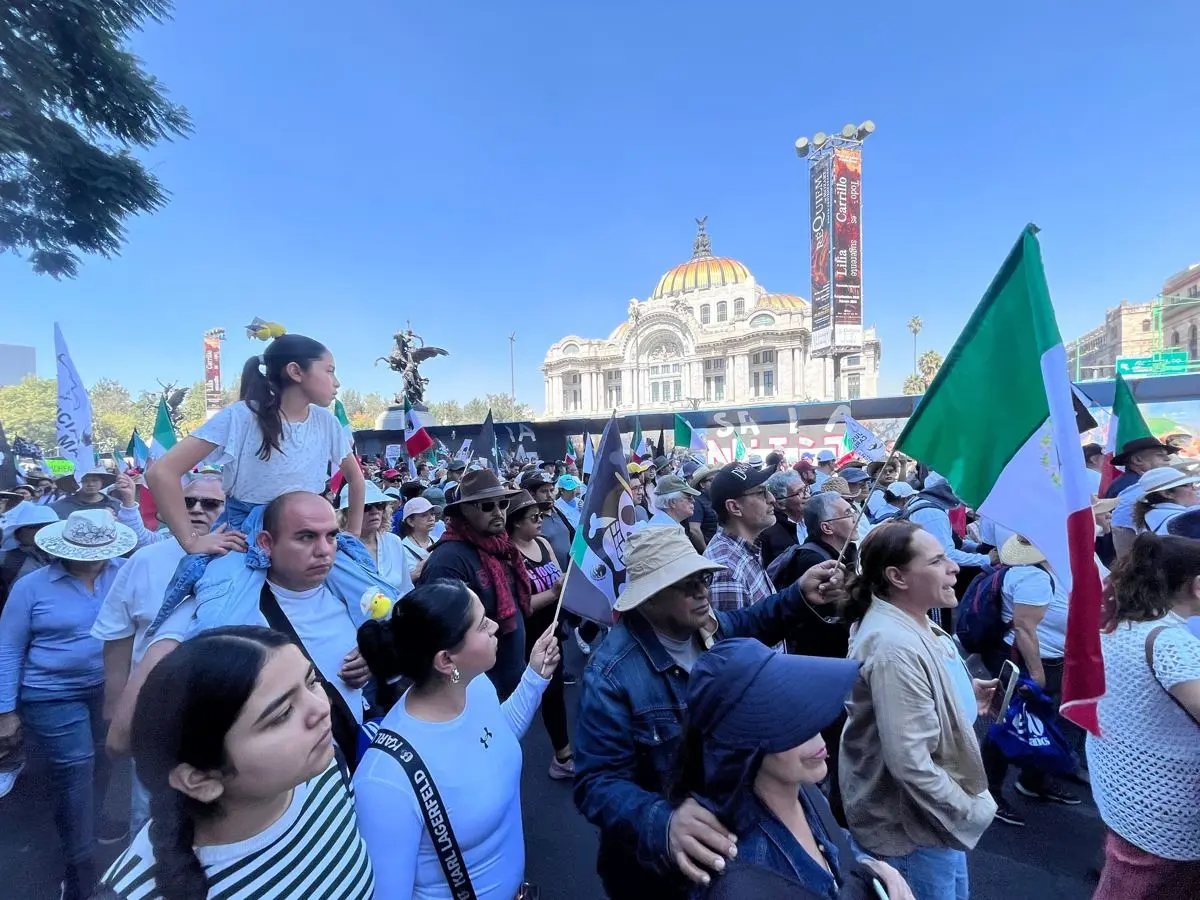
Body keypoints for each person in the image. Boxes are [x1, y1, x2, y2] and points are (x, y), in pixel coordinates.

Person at [573, 525, 848, 899]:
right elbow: (596, 783)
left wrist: (799, 595)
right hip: (659, 872)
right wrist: (663, 823)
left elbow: (752, 623)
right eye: (685, 583)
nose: (702, 590)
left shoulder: (706, 626)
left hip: (740, 839)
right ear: (649, 599)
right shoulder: (610, 675)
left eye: (702, 577)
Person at [99, 626, 375, 900]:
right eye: (281, 714)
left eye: (311, 681)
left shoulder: (322, 771)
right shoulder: (133, 892)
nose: (321, 707)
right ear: (200, 779)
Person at [109, 492, 375, 767]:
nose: (324, 550)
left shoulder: (352, 594)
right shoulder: (216, 611)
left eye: (331, 536)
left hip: (345, 778)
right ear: (265, 542)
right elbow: (122, 736)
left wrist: (373, 659)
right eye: (306, 537)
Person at [354, 580, 559, 899]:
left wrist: (534, 678)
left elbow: (496, 736)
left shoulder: (474, 685)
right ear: (446, 660)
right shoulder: (385, 780)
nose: (494, 624)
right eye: (481, 624)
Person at [839, 522, 997, 900]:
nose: (954, 567)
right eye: (938, 560)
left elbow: (919, 694)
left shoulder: (911, 619)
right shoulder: (893, 647)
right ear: (897, 577)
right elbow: (910, 761)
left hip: (929, 825)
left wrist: (961, 694)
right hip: (912, 830)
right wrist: (970, 810)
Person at [684, 639, 913, 900]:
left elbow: (836, 849)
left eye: (806, 714)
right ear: (745, 746)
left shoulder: (805, 792)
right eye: (791, 726)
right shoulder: (742, 877)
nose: (817, 738)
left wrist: (872, 868)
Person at [0, 510, 137, 898]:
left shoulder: (125, 573)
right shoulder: (31, 586)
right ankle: (80, 873)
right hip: (50, 694)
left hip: (110, 690)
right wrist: (5, 710)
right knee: (76, 771)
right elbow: (8, 646)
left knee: (104, 760)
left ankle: (86, 827)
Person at [90, 472, 228, 831]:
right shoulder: (145, 561)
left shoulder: (248, 562)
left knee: (223, 820)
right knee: (151, 819)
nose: (198, 510)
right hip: (155, 719)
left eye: (211, 503)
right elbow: (117, 639)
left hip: (227, 724)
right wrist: (116, 706)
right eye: (188, 502)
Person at [1087, 534, 1200, 898]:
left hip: (1124, 789)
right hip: (1164, 809)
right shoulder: (1171, 642)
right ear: (1197, 586)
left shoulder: (1120, 621)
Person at [979, 535, 1080, 828]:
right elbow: (1024, 628)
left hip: (1055, 659)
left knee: (1042, 720)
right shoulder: (1032, 575)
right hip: (1029, 662)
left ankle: (1034, 780)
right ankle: (990, 792)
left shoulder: (1062, 566)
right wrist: (1036, 674)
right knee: (1009, 723)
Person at [418, 470, 529, 699]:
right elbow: (440, 639)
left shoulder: (502, 547)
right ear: (466, 510)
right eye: (487, 506)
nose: (498, 512)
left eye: (503, 503)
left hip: (512, 677)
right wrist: (459, 689)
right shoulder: (447, 560)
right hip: (479, 691)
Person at [506, 490, 574, 780]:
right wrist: (554, 592)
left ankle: (562, 755)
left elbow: (559, 581)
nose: (541, 521)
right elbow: (520, 605)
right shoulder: (509, 556)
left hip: (553, 630)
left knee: (552, 692)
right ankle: (560, 757)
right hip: (529, 636)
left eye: (542, 515)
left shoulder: (544, 543)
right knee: (539, 693)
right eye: (534, 517)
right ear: (516, 522)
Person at [704, 462, 778, 615]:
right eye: (760, 492)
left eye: (767, 490)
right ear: (734, 507)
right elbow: (738, 638)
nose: (771, 499)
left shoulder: (745, 548)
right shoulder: (728, 572)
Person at [338, 480, 414, 595]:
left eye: (379, 505)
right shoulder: (338, 549)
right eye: (366, 507)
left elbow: (406, 588)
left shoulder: (394, 541)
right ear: (346, 513)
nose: (375, 512)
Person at [0, 503, 58, 610]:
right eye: (34, 527)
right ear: (19, 533)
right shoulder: (5, 559)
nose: (41, 530)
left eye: (48, 525)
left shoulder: (66, 558)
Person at [524, 470, 574, 570]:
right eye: (544, 491)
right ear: (532, 495)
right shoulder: (529, 522)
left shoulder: (559, 513)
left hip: (571, 576)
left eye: (551, 490)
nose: (550, 495)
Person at [1130, 465, 1200, 535]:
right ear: (1167, 494)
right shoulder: (1184, 520)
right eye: (1187, 485)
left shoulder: (1151, 515)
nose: (1195, 489)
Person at [760, 470, 808, 568]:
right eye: (799, 492)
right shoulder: (769, 535)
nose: (807, 495)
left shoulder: (814, 519)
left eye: (806, 489)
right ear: (780, 504)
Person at [397, 495, 438, 567]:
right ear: (410, 522)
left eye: (432, 514)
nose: (431, 518)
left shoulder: (438, 541)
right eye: (424, 515)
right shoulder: (402, 549)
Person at [687, 464, 720, 547]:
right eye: (711, 480)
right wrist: (705, 551)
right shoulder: (697, 501)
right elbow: (694, 530)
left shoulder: (712, 498)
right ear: (702, 484)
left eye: (716, 479)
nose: (715, 483)